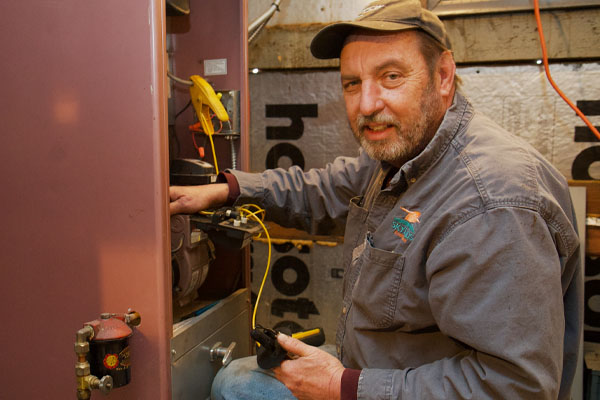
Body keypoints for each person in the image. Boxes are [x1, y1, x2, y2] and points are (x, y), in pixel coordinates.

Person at [169, 0, 583, 398]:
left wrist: (341, 387)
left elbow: (514, 388)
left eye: (391, 77)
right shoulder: (405, 154)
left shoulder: (490, 205)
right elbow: (323, 189)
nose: (366, 104)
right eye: (352, 83)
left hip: (383, 387)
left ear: (443, 76)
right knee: (236, 381)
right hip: (376, 372)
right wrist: (228, 189)